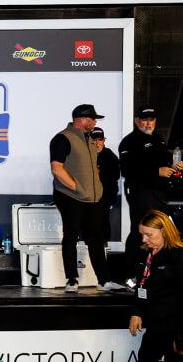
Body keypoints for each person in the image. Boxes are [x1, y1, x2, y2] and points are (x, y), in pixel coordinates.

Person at [50, 104, 122, 292]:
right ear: (82, 119)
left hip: (91, 198)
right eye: (93, 118)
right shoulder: (62, 138)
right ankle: (72, 279)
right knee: (71, 236)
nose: (95, 121)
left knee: (96, 238)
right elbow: (56, 168)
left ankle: (104, 280)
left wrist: (95, 188)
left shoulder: (90, 140)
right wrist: (75, 187)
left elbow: (91, 170)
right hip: (70, 196)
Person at [128, 210, 183, 362]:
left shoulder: (177, 255)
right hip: (155, 323)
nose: (144, 239)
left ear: (164, 231)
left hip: (173, 324)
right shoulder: (147, 255)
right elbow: (141, 287)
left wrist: (180, 336)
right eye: (142, 234)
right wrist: (137, 311)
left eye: (149, 235)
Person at [120, 105, 183, 281]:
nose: (148, 123)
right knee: (142, 232)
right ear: (136, 120)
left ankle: (157, 272)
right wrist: (157, 172)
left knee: (160, 231)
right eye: (145, 119)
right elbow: (127, 170)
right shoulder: (129, 141)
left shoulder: (158, 139)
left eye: (152, 119)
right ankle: (131, 274)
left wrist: (174, 168)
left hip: (161, 194)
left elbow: (165, 164)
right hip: (142, 193)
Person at [92, 127, 121, 245]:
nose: (97, 143)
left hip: (103, 199)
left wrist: (98, 173)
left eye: (100, 139)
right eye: (94, 140)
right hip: (87, 199)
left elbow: (114, 177)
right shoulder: (84, 155)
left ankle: (103, 249)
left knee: (102, 226)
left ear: (104, 140)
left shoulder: (110, 156)